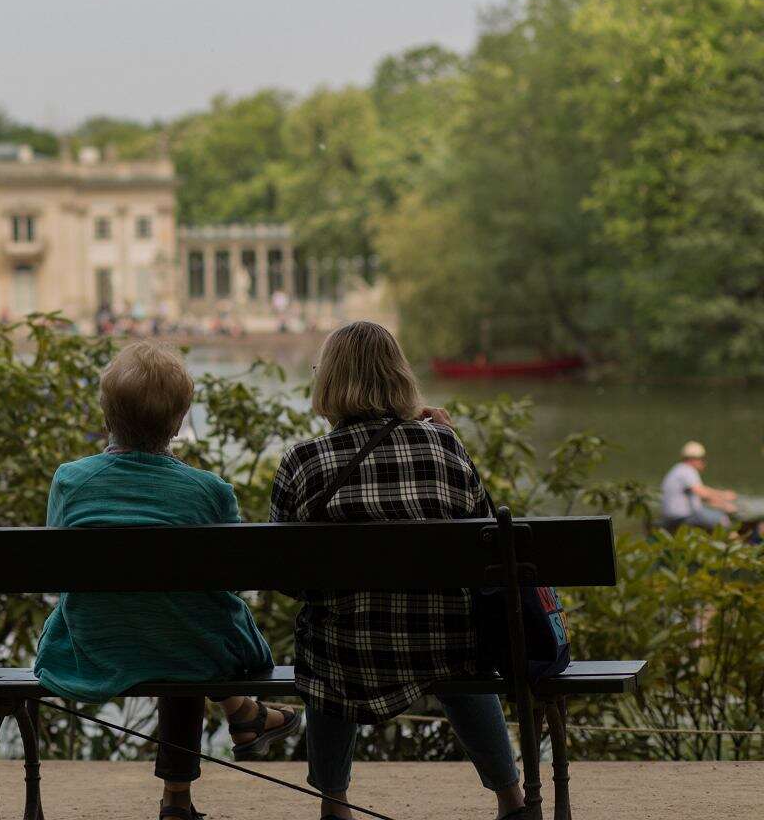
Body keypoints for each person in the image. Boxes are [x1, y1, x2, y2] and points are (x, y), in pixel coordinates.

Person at [34, 340, 302, 820]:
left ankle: (237, 727)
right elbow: (231, 582)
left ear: (107, 415)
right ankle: (232, 729)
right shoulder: (210, 491)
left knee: (170, 624)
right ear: (179, 422)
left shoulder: (70, 481)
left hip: (97, 645)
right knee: (185, 630)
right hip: (191, 648)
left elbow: (59, 567)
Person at [270, 321, 527, 820]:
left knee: (323, 638)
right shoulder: (442, 446)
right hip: (445, 644)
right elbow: (487, 544)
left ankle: (334, 802)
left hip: (346, 652)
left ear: (328, 382)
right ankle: (511, 798)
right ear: (398, 377)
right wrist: (447, 437)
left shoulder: (303, 461)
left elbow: (288, 578)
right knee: (457, 643)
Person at [660, 441, 737, 530]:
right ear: (693, 459)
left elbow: (700, 495)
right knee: (722, 520)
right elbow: (702, 493)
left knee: (712, 514)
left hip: (673, 515)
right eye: (702, 459)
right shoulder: (687, 471)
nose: (704, 463)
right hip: (682, 516)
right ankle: (735, 542)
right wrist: (724, 498)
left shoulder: (678, 469)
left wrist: (719, 502)